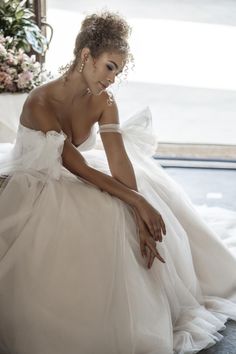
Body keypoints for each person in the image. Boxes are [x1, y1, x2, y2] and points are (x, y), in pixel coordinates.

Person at [0, 10, 235, 354]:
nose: (113, 79)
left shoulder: (104, 100)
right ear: (86, 56)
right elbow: (76, 165)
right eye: (110, 66)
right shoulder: (41, 101)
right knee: (104, 214)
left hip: (78, 171)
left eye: (119, 71)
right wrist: (136, 202)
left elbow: (117, 159)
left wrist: (140, 209)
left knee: (143, 198)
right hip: (39, 179)